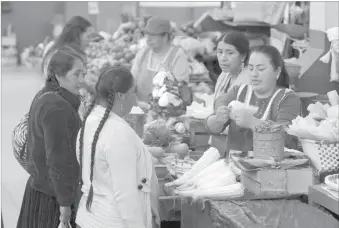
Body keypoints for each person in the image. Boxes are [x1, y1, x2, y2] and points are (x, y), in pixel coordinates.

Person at [76, 66, 160, 228]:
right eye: (133, 92)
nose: (136, 98)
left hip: (89, 216)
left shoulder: (91, 121)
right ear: (121, 96)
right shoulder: (118, 133)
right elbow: (125, 194)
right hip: (114, 220)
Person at [16, 46, 87, 228]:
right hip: (52, 196)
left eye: (84, 75)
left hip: (40, 188)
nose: (82, 81)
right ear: (58, 74)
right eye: (77, 74)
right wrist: (64, 204)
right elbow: (59, 159)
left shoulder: (47, 94)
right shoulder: (57, 106)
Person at [205, 45, 301, 158]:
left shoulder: (288, 99)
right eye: (250, 69)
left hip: (273, 169)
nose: (254, 74)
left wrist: (253, 123)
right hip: (236, 167)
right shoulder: (238, 92)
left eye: (260, 69)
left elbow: (286, 138)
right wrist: (218, 119)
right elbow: (210, 125)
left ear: (277, 72)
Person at [131, 16, 190, 108]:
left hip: (166, 114)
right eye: (147, 34)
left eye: (153, 35)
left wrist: (158, 109)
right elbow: (131, 82)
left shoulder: (177, 56)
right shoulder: (142, 54)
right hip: (140, 111)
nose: (148, 38)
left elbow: (179, 89)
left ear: (165, 36)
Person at [209, 31, 251, 154]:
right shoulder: (224, 75)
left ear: (243, 56)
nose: (223, 58)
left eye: (230, 53)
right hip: (220, 140)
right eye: (219, 52)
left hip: (240, 147)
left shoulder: (248, 80)